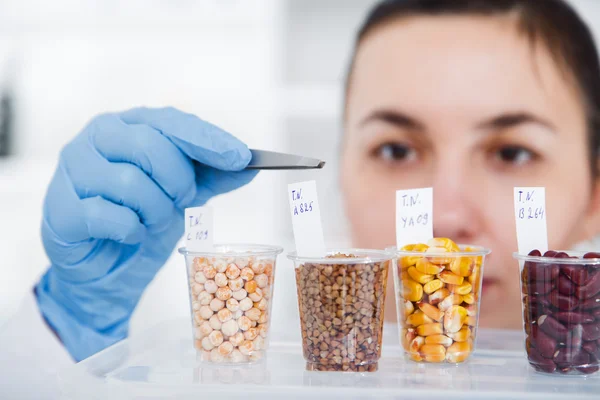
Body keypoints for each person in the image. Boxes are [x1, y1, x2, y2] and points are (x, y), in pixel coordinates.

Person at [2, 0, 600, 398]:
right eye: (395, 149)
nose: (445, 214)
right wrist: (70, 329)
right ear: (339, 172)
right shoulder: (239, 372)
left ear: (596, 192)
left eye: (513, 153)